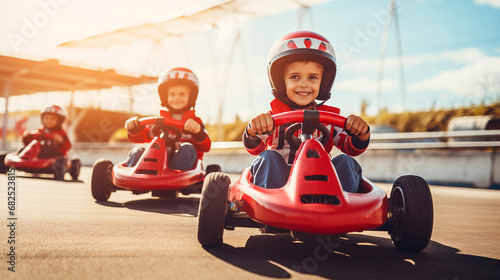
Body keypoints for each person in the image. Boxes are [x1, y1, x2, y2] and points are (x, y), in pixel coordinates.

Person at [243, 30, 370, 193]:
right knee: (268, 157)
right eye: (295, 77)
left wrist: (361, 132)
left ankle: (346, 205)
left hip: (322, 184)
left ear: (324, 83)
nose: (304, 84)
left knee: (346, 161)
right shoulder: (272, 118)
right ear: (281, 82)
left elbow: (351, 148)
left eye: (312, 77)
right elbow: (255, 148)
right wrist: (253, 131)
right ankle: (271, 203)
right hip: (280, 185)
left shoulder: (331, 119)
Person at [125, 67, 211, 170]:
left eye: (182, 94)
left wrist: (198, 132)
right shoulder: (157, 121)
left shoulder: (195, 122)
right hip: (158, 162)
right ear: (165, 97)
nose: (176, 98)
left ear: (191, 97)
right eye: (172, 94)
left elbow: (206, 146)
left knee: (187, 148)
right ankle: (131, 175)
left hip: (184, 166)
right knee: (138, 150)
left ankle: (176, 178)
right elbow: (140, 137)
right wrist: (134, 130)